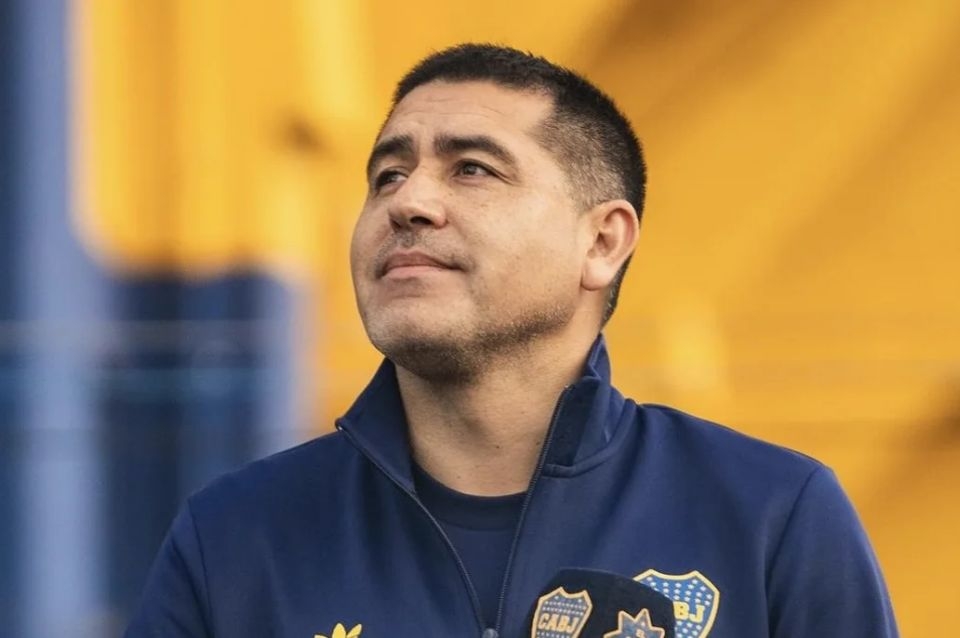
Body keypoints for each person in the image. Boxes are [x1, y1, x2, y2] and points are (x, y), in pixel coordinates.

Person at [126, 44, 899, 638]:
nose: (409, 202)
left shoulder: (771, 517)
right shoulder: (234, 539)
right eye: (387, 175)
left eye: (472, 169)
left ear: (602, 242)